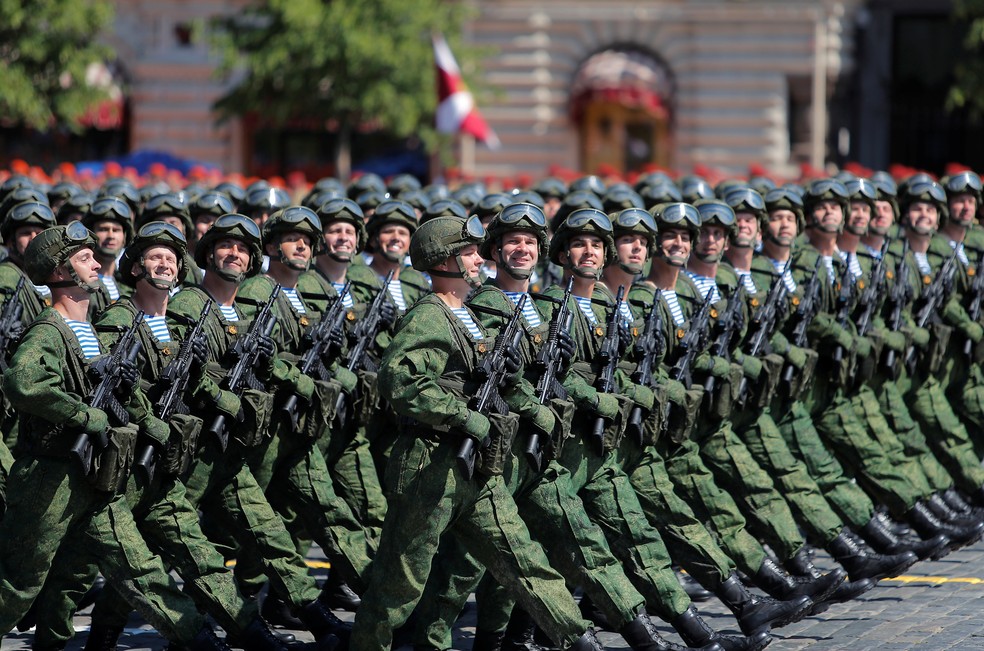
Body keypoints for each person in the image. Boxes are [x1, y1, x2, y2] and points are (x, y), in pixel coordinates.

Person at [350, 214, 603, 651]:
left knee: (523, 561)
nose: (477, 259)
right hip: (431, 467)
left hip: (478, 469)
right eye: (467, 253)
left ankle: (578, 640)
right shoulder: (431, 316)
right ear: (442, 261)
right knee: (400, 585)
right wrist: (464, 416)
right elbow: (401, 381)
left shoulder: (466, 313)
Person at [0, 222, 228, 649]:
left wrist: (138, 415)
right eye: (83, 258)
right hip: (48, 480)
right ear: (59, 271)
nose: (95, 263)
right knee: (18, 586)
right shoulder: (49, 329)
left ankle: (199, 639)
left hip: (93, 479)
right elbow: (24, 383)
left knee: (139, 567)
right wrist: (84, 416)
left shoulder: (86, 330)